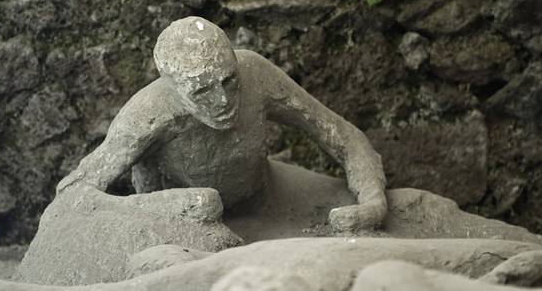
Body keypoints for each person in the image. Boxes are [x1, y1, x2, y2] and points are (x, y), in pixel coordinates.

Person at [57, 16, 387, 232]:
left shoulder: (254, 73)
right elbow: (73, 194)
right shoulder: (147, 113)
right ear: (173, 88)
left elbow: (341, 134)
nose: (223, 101)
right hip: (182, 231)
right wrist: (169, 206)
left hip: (267, 202)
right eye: (202, 90)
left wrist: (373, 201)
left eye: (229, 81)